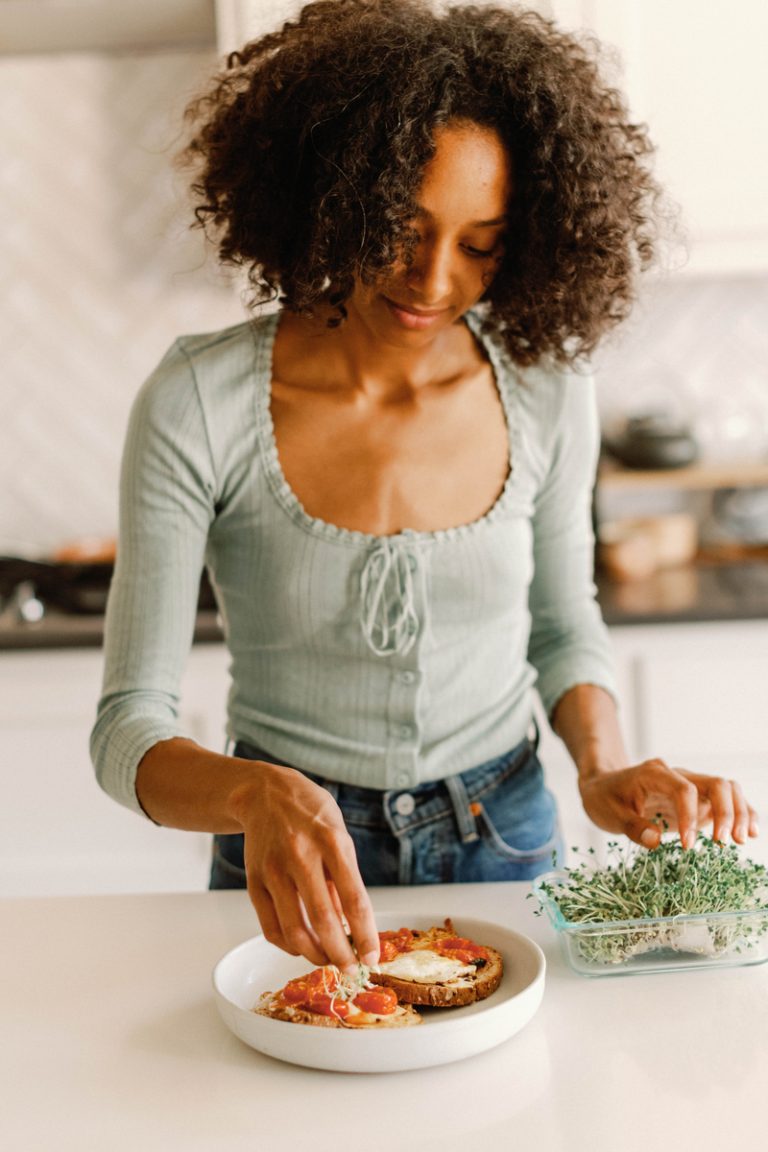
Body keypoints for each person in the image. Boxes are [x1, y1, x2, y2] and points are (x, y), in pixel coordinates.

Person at [90, 0, 758, 973]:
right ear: (334, 194)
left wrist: (604, 765)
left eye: (480, 244)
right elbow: (126, 732)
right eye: (400, 225)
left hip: (508, 838)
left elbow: (565, 624)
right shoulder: (200, 400)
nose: (434, 280)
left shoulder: (543, 386)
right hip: (292, 859)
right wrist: (252, 796)